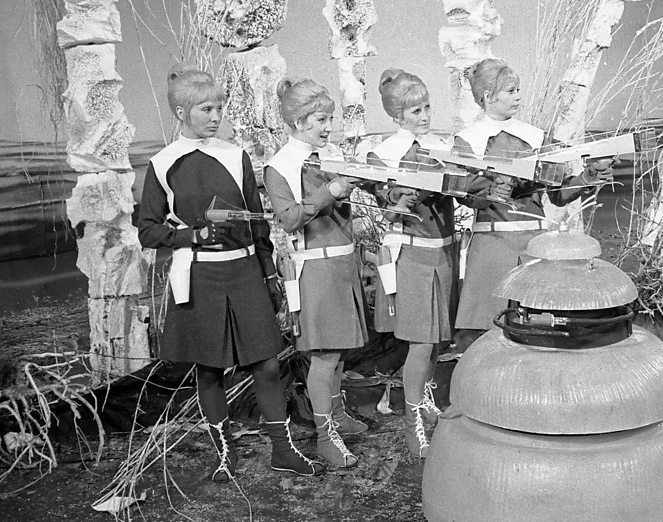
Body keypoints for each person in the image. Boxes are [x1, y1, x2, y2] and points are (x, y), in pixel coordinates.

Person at [137, 64, 321, 482]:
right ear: (181, 112)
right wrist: (191, 235)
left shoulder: (235, 155)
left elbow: (257, 224)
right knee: (208, 369)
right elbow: (148, 230)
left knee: (267, 365)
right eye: (206, 109)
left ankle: (282, 450)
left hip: (244, 271)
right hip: (199, 276)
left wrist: (269, 275)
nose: (216, 116)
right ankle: (224, 453)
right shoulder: (163, 164)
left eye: (219, 108)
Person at [453, 58, 614, 337]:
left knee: (541, 328)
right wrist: (490, 193)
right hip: (491, 245)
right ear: (488, 96)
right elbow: (462, 194)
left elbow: (559, 195)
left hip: (536, 244)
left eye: (518, 90)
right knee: (488, 332)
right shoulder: (467, 141)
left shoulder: (536, 137)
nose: (518, 96)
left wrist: (587, 178)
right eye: (510, 91)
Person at [265, 78, 367, 468]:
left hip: (343, 262)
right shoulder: (280, 166)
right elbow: (290, 218)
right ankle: (326, 439)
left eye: (330, 119)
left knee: (339, 353)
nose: (328, 127)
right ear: (298, 121)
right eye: (321, 120)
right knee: (324, 356)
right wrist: (331, 191)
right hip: (315, 268)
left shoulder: (331, 155)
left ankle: (338, 416)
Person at [365, 69, 458, 458]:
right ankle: (411, 422)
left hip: (446, 251)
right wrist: (397, 196)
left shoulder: (442, 148)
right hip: (412, 255)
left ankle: (426, 401)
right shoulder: (382, 154)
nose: (424, 116)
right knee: (421, 342)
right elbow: (384, 199)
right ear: (396, 115)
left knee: (437, 339)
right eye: (415, 110)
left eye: (427, 107)